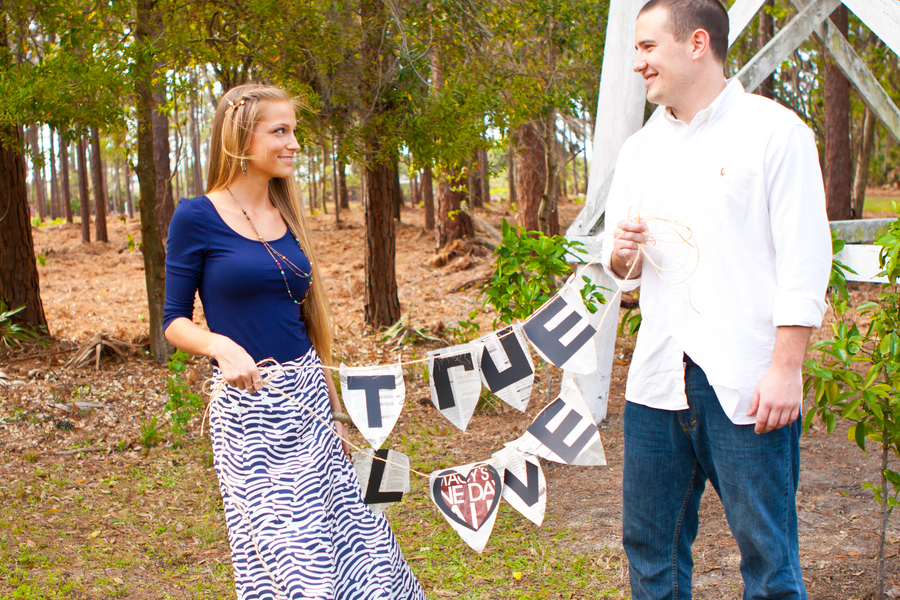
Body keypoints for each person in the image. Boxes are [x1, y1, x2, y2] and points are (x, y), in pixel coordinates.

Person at [600, 1, 832, 598]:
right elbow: (622, 272)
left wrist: (786, 369)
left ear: (696, 43)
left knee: (769, 561)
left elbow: (806, 260)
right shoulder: (639, 150)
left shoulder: (776, 133)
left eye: (648, 47)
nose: (638, 63)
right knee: (651, 552)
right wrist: (621, 252)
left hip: (747, 382)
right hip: (655, 383)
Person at [163, 83, 426, 600]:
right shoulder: (197, 216)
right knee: (289, 557)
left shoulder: (287, 216)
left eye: (295, 132)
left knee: (356, 544)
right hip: (248, 411)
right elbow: (173, 321)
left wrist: (327, 392)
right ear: (240, 137)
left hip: (306, 399)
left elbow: (302, 316)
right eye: (279, 131)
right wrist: (221, 346)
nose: (293, 144)